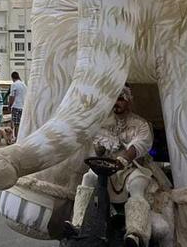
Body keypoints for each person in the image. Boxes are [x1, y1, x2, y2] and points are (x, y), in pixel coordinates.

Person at [63, 86, 166, 247]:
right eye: (113, 99)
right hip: (107, 171)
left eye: (120, 99)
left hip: (132, 169)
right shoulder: (103, 123)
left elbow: (139, 145)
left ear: (128, 102)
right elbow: (96, 148)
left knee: (137, 184)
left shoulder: (140, 125)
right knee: (88, 177)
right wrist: (99, 150)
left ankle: (135, 234)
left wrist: (124, 159)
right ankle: (78, 225)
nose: (115, 103)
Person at [8, 71, 26, 141]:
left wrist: (9, 105)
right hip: (23, 106)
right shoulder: (24, 84)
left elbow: (12, 96)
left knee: (16, 124)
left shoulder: (14, 85)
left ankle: (16, 138)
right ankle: (21, 137)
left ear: (12, 77)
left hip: (16, 106)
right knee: (21, 123)